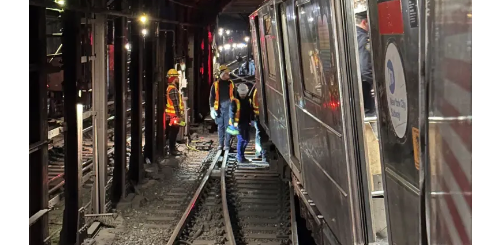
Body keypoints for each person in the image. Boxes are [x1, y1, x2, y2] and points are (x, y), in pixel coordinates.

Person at [210, 65, 235, 150]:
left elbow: (235, 96)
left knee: (228, 126)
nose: (228, 75)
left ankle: (227, 145)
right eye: (227, 73)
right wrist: (212, 108)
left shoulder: (231, 84)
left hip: (229, 109)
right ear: (222, 74)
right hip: (219, 109)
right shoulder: (215, 84)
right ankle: (221, 145)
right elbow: (211, 97)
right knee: (220, 127)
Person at [355, 10, 375, 116]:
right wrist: (376, 83)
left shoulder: (353, 35)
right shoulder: (365, 38)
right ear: (364, 22)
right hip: (366, 87)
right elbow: (365, 68)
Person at [229, 84, 253, 163]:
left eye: (244, 94)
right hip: (238, 124)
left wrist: (252, 120)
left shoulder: (248, 100)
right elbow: (231, 112)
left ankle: (241, 155)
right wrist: (233, 123)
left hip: (246, 122)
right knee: (241, 139)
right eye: (241, 94)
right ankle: (240, 157)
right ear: (239, 92)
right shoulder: (234, 101)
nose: (243, 95)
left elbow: (250, 111)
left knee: (247, 140)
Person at [165, 69, 185, 156]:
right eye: (176, 77)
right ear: (173, 78)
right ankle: (172, 150)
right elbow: (176, 103)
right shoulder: (173, 89)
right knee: (174, 132)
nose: (177, 78)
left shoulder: (170, 88)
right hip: (174, 116)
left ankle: (172, 148)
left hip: (171, 115)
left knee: (172, 132)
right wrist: (179, 115)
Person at [251, 87, 266, 161]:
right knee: (261, 136)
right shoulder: (258, 92)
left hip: (258, 116)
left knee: (259, 135)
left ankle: (259, 153)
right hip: (259, 117)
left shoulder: (256, 91)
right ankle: (261, 154)